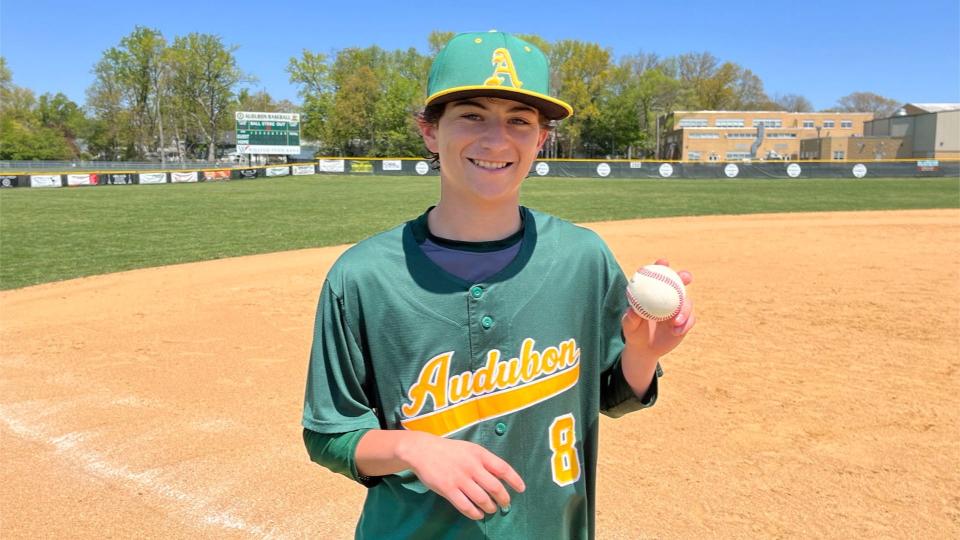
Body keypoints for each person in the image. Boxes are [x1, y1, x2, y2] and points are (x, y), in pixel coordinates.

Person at [301, 31, 696, 539]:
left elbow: (612, 393)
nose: (496, 139)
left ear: (540, 138)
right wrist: (410, 447)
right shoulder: (362, 276)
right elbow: (328, 433)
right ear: (428, 130)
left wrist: (642, 354)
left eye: (519, 121)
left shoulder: (583, 258)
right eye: (472, 115)